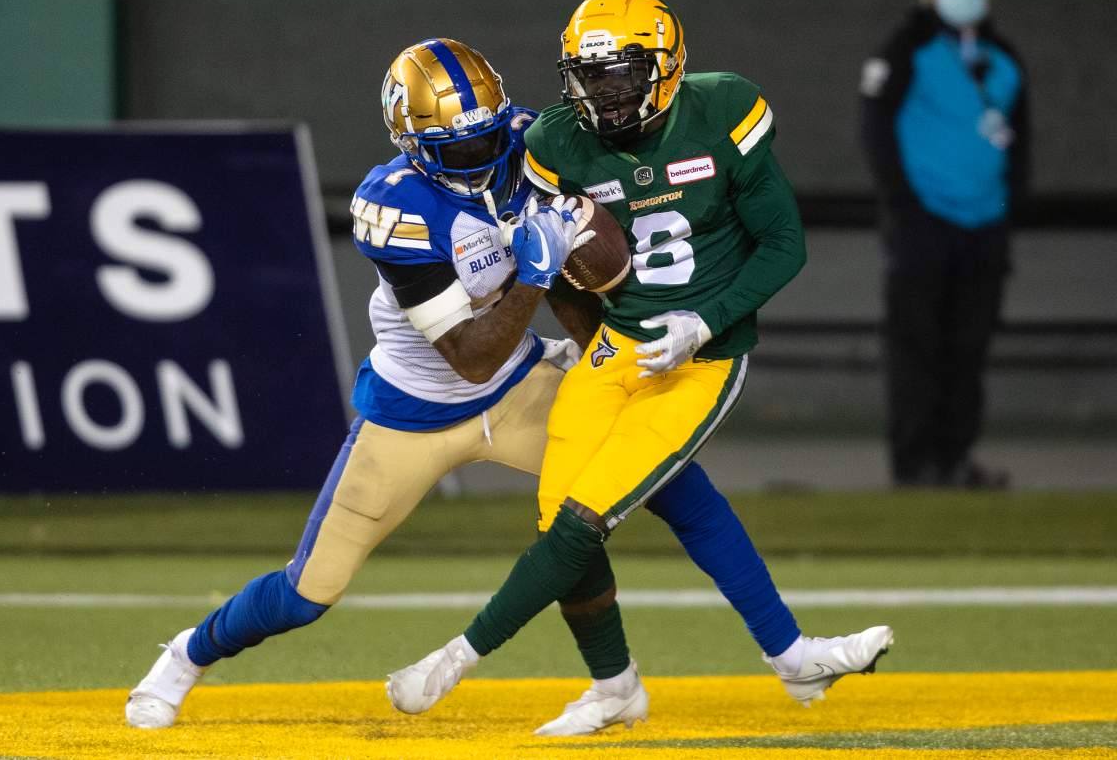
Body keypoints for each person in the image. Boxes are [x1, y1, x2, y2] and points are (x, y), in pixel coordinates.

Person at [124, 37, 802, 736]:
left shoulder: (533, 141)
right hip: (414, 411)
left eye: (487, 138)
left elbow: (580, 272)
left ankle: (639, 677)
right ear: (411, 141)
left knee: (658, 483)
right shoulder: (393, 206)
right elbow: (470, 356)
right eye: (457, 146)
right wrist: (534, 271)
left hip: (516, 388)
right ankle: (185, 656)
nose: (480, 157)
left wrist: (591, 334)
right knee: (308, 592)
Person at [386, 0, 894, 725]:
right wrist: (578, 327)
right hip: (617, 345)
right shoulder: (556, 143)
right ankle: (628, 685)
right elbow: (565, 257)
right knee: (564, 512)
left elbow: (786, 244)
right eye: (592, 77)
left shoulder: (724, 110)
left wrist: (706, 320)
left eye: (623, 73)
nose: (608, 93)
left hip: (705, 353)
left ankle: (455, 659)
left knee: (582, 521)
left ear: (664, 62)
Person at [860, 0, 1028, 489]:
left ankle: (956, 460)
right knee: (916, 344)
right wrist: (903, 204)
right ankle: (914, 466)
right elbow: (874, 127)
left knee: (968, 348)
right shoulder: (904, 47)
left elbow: (1022, 146)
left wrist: (1008, 210)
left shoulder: (1004, 60)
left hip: (985, 227)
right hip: (922, 225)